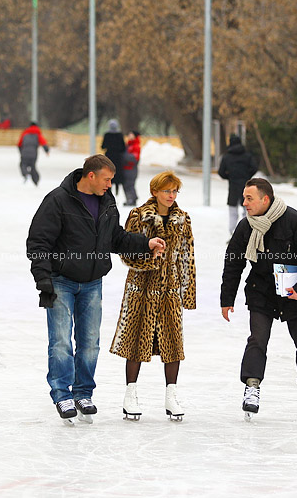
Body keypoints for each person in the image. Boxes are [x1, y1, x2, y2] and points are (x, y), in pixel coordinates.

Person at [26, 154, 166, 424]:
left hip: (92, 283)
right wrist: (43, 279)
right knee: (61, 343)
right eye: (107, 179)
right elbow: (38, 242)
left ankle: (82, 393)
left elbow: (116, 238)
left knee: (90, 344)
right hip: (61, 280)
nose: (110, 185)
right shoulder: (57, 200)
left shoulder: (107, 201)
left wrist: (145, 244)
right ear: (90, 176)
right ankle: (61, 393)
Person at [220, 177, 297, 420]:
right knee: (258, 339)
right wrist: (227, 298)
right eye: (244, 198)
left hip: (295, 292)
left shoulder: (295, 220)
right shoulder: (247, 226)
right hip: (262, 291)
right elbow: (233, 263)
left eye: (249, 198)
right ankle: (252, 387)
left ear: (265, 199)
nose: (244, 203)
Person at [110, 171, 196, 421]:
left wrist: (187, 293)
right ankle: (130, 393)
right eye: (167, 190)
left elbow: (187, 258)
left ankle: (171, 394)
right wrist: (149, 259)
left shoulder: (183, 219)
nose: (171, 195)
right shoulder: (138, 216)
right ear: (155, 192)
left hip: (170, 291)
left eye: (175, 191)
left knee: (173, 346)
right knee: (136, 343)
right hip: (141, 290)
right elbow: (125, 251)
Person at [218, 134, 259, 236]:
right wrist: (247, 176)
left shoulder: (226, 157)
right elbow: (254, 168)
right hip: (246, 186)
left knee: (232, 211)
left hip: (233, 186)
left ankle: (232, 232)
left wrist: (229, 177)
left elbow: (221, 172)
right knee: (246, 209)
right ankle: (246, 231)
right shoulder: (247, 156)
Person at [17, 121, 49, 186]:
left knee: (23, 164)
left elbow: (19, 144)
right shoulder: (38, 134)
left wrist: (21, 152)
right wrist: (47, 151)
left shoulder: (25, 133)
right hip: (34, 154)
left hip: (24, 153)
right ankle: (36, 180)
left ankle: (26, 174)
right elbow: (44, 143)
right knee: (33, 166)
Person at [101, 119, 126, 196]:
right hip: (118, 158)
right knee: (117, 174)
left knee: (109, 173)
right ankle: (117, 192)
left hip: (109, 157)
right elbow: (123, 147)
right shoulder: (120, 135)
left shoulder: (107, 135)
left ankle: (109, 191)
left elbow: (103, 146)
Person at [121, 130, 141, 206]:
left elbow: (135, 158)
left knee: (129, 184)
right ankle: (131, 198)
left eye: (131, 134)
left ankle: (132, 199)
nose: (129, 136)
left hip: (131, 169)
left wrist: (123, 156)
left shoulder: (136, 145)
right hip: (126, 168)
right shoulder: (128, 145)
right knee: (126, 184)